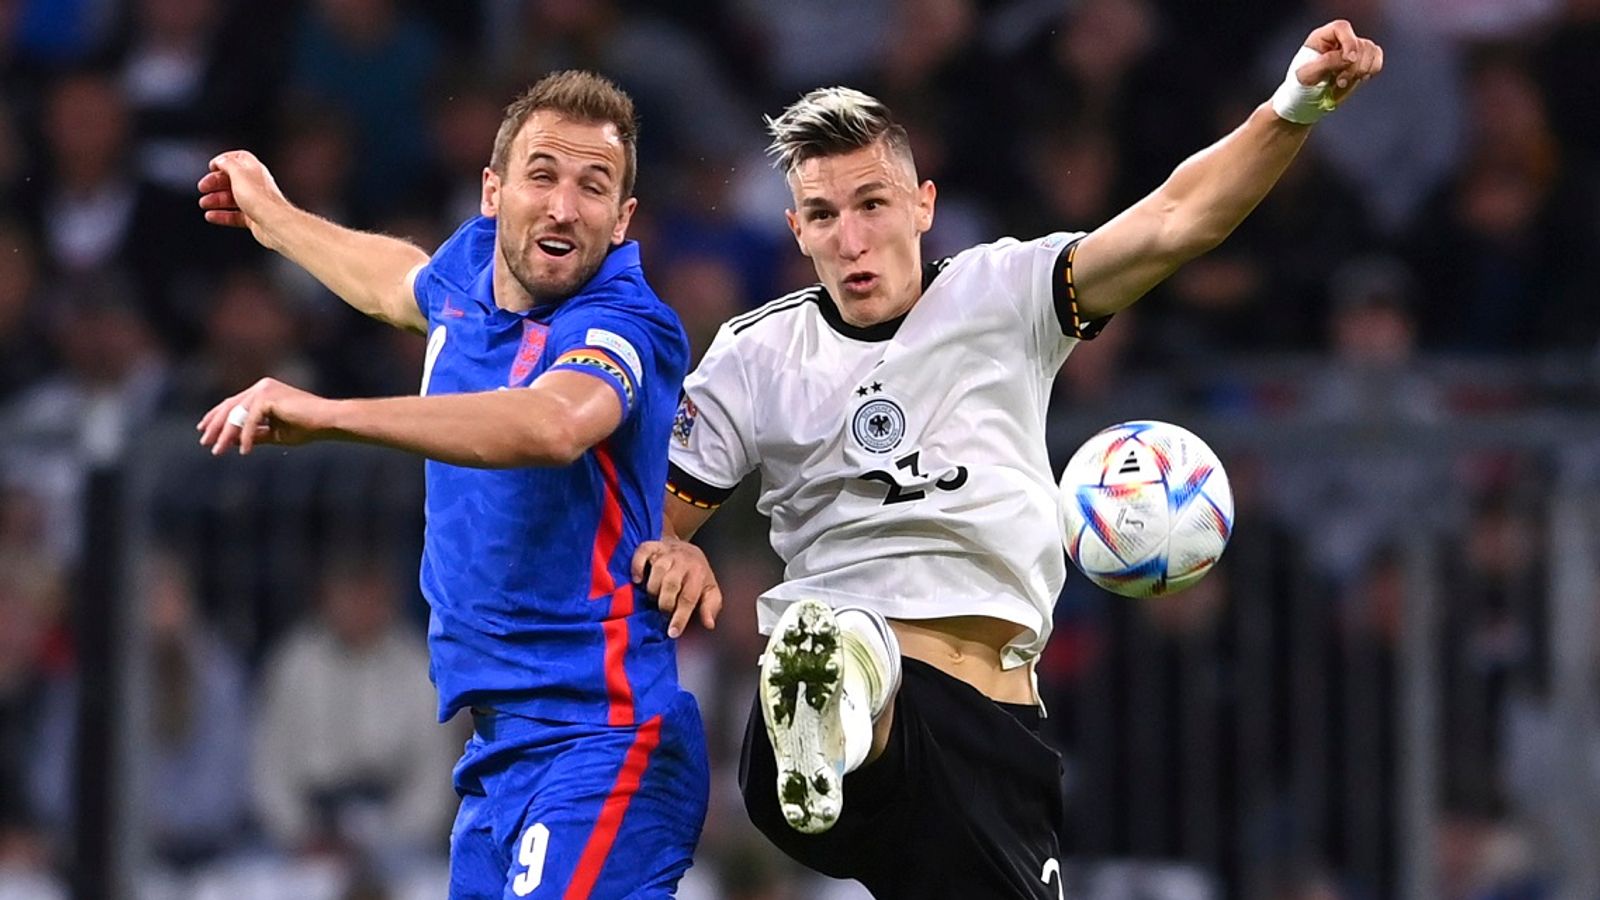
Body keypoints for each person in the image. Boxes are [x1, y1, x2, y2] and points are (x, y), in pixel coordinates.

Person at [632, 20, 1384, 900]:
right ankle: (844, 682)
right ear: (796, 229)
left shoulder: (1004, 291)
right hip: (852, 705)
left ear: (924, 205)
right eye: (825, 216)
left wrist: (1293, 105)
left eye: (873, 205)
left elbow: (1176, 219)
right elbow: (649, 527)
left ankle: (841, 695)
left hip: (991, 731)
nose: (851, 238)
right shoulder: (754, 355)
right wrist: (673, 547)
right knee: (851, 676)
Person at [195, 70, 708, 898]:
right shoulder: (471, 270)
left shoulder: (622, 320)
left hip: (604, 738)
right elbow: (400, 283)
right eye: (542, 176)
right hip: (499, 754)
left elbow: (552, 424)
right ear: (492, 192)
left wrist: (331, 417)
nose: (564, 207)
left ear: (622, 219)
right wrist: (276, 218)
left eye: (593, 186)